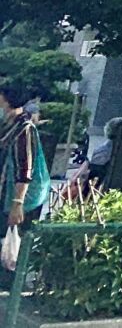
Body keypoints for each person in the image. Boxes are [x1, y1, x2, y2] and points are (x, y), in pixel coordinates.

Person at [1, 84, 50, 282]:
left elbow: (25, 168)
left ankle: (8, 291)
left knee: (9, 243)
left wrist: (17, 203)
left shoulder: (24, 129)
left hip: (12, 196)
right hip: (4, 193)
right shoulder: (9, 124)